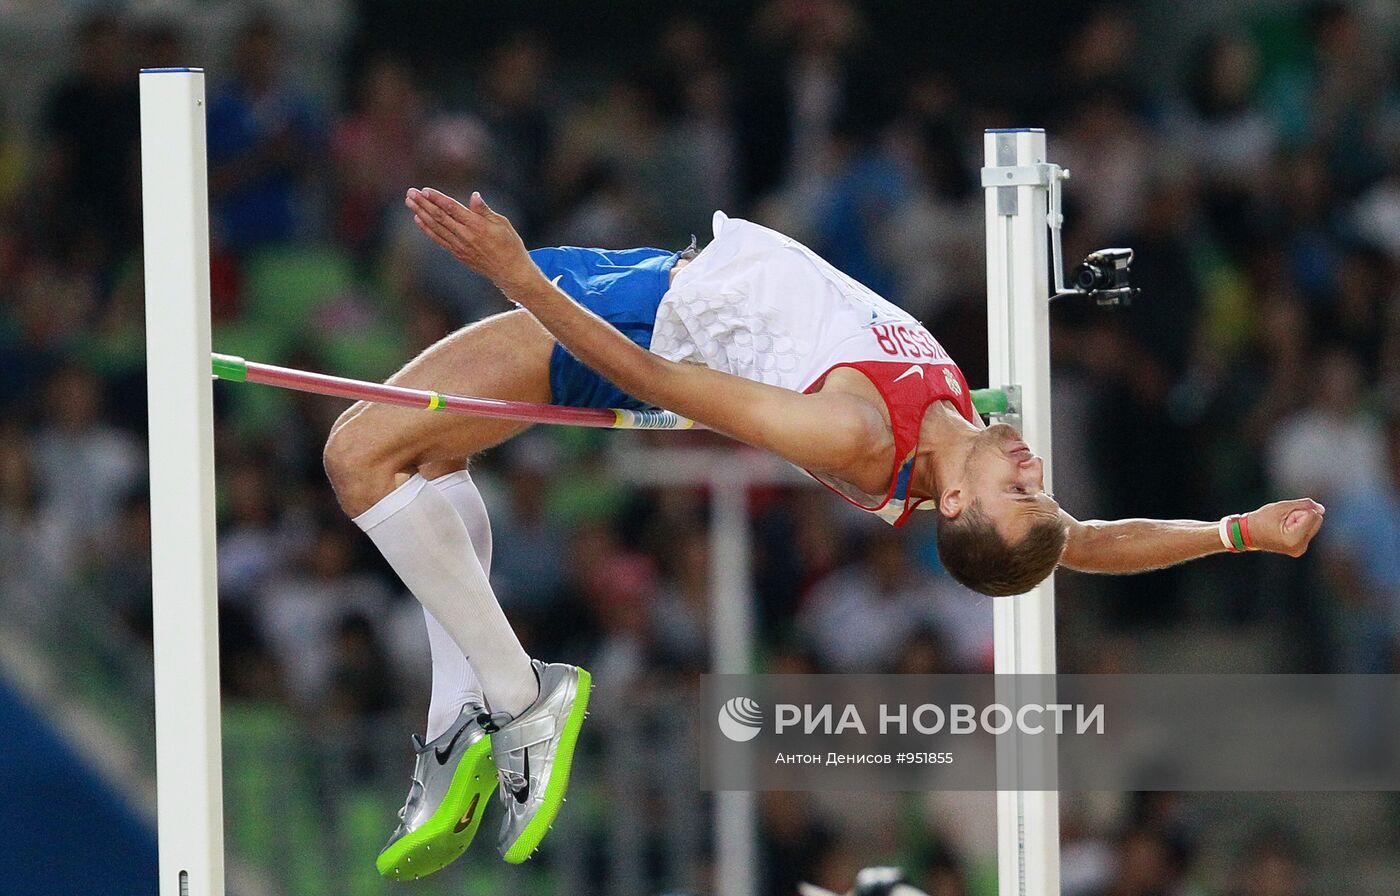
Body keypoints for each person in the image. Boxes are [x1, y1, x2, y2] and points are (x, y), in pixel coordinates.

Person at [322, 187, 1326, 878]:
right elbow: (1094, 541)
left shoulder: (856, 433)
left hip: (637, 325)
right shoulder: (953, 434)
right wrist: (1235, 528)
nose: (1033, 471)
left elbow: (665, 385)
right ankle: (468, 708)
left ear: (959, 510)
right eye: (1040, 490)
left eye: (1018, 493)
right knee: (427, 463)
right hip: (659, 285)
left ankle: (517, 694)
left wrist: (517, 276)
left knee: (357, 457)